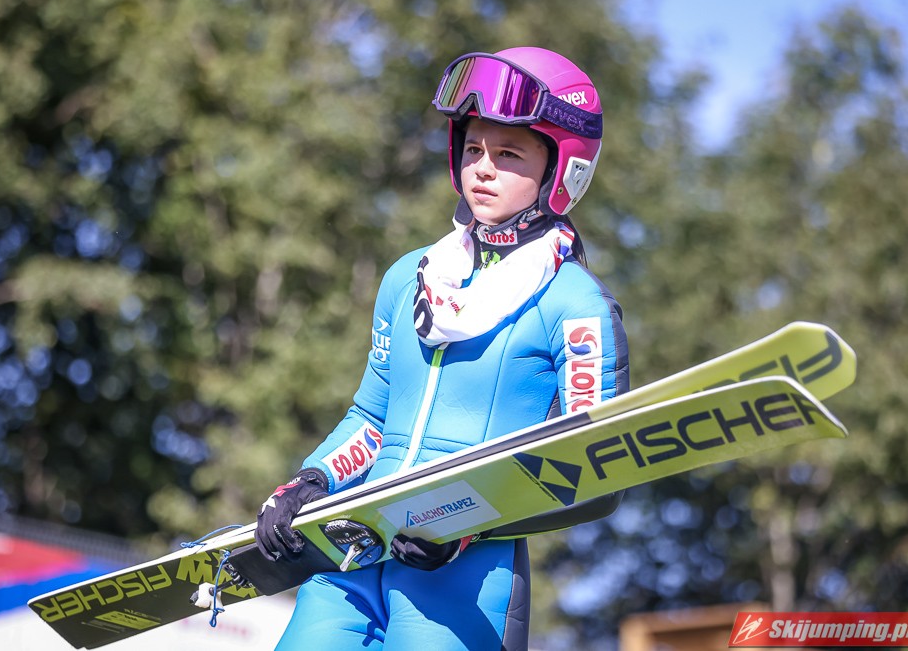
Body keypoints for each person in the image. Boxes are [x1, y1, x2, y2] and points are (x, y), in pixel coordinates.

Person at [255, 47, 630, 650]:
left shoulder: (576, 304)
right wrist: (311, 480)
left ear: (562, 169)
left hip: (466, 579)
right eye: (473, 148)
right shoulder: (409, 278)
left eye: (509, 154)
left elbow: (595, 474)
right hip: (353, 557)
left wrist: (469, 525)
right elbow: (373, 418)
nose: (483, 168)